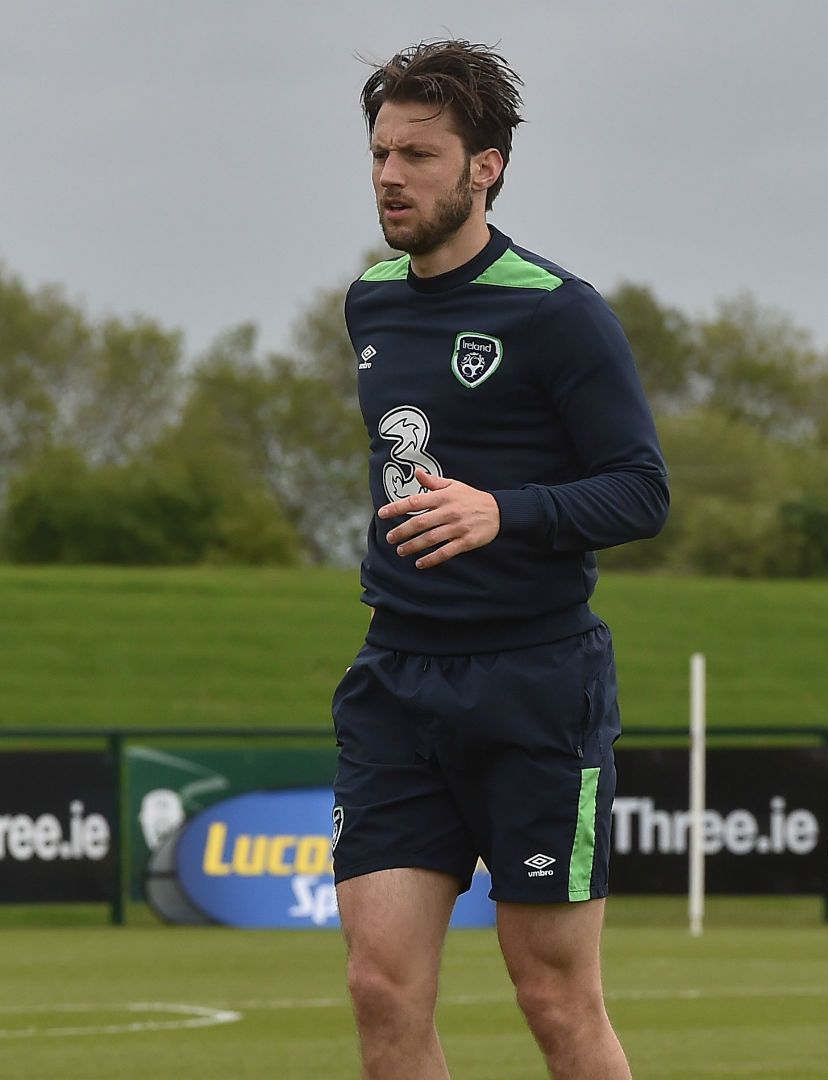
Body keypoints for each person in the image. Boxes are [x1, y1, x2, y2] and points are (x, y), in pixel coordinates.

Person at [330, 40, 667, 1080]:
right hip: (397, 679)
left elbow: (641, 490)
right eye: (381, 152)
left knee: (554, 998)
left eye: (418, 155)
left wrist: (503, 513)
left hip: (534, 684)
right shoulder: (371, 303)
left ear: (486, 167)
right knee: (381, 990)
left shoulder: (558, 312)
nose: (390, 175)